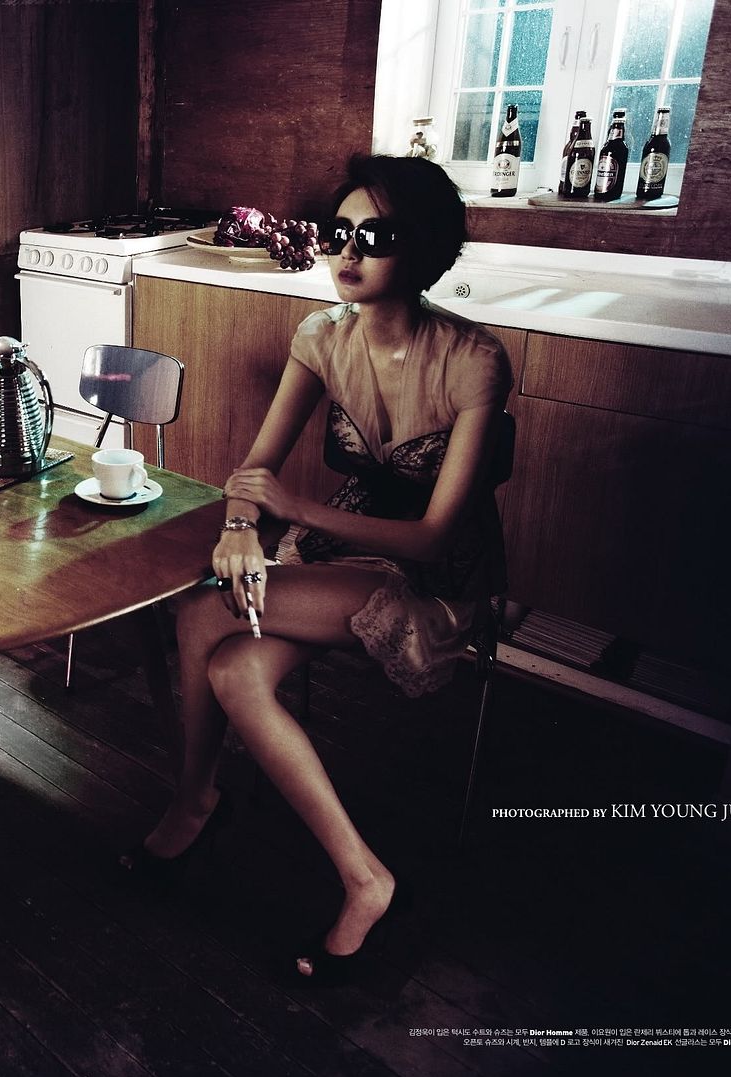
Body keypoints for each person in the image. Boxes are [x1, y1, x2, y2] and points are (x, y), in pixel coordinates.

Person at [125, 155, 511, 984]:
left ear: (424, 250)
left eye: (378, 237)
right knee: (232, 667)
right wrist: (240, 527)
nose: (350, 251)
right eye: (341, 232)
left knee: (201, 613)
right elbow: (256, 469)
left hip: (435, 580)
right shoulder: (321, 337)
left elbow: (433, 537)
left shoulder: (474, 360)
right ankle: (364, 878)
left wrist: (293, 511)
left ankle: (194, 801)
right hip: (343, 558)